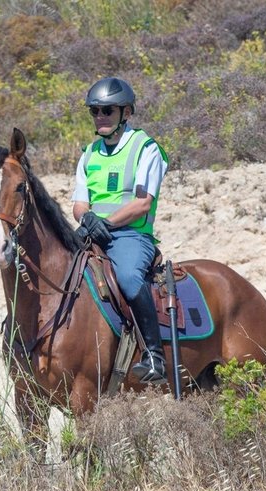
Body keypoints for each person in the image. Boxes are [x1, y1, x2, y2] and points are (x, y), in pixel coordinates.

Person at [72, 76, 169, 384]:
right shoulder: (88, 153)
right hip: (91, 232)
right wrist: (87, 220)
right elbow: (79, 203)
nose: (100, 116)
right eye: (95, 111)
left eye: (108, 110)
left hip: (130, 235)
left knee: (128, 278)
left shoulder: (146, 148)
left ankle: (153, 355)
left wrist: (106, 223)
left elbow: (142, 204)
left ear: (126, 113)